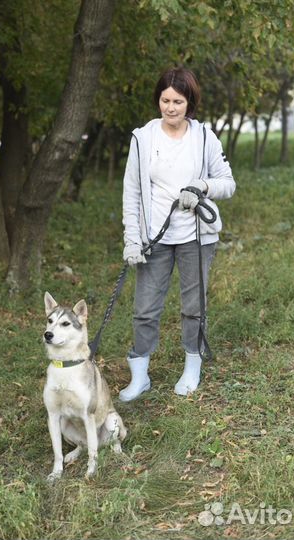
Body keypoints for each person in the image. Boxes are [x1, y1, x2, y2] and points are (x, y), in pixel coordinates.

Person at [119, 67, 236, 402]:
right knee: (145, 308)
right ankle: (139, 377)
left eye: (178, 101)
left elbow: (227, 183)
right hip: (154, 238)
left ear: (190, 102)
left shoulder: (204, 137)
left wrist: (202, 186)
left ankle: (192, 367)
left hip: (196, 237)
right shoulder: (142, 138)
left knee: (193, 306)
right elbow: (132, 192)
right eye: (165, 100)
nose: (170, 108)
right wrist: (132, 238)